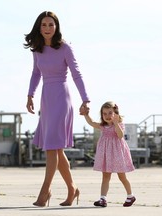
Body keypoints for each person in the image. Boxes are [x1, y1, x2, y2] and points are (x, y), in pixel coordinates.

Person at [24, 11, 90, 207]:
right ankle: (72, 189)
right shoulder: (37, 49)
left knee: (52, 147)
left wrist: (85, 100)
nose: (47, 28)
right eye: (44, 25)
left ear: (57, 26)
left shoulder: (65, 47)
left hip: (62, 97)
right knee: (56, 150)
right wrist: (30, 95)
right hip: (46, 98)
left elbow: (77, 73)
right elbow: (36, 73)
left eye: (51, 25)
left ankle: (45, 190)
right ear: (39, 27)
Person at [81, 101, 136, 207]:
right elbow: (92, 123)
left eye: (110, 113)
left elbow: (120, 135)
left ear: (115, 113)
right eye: (104, 114)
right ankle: (103, 199)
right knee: (105, 176)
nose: (107, 116)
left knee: (122, 176)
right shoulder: (103, 126)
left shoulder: (119, 125)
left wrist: (115, 123)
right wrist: (86, 115)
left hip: (117, 154)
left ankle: (130, 196)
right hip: (106, 154)